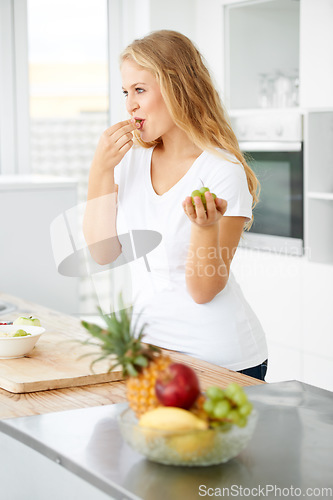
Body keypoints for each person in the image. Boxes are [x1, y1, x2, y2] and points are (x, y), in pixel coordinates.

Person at [83, 30, 268, 381]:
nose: (130, 105)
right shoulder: (130, 162)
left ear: (176, 88)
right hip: (152, 354)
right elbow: (103, 253)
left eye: (139, 90)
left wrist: (204, 227)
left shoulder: (221, 170)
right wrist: (100, 169)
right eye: (126, 92)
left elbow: (203, 290)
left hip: (221, 360)